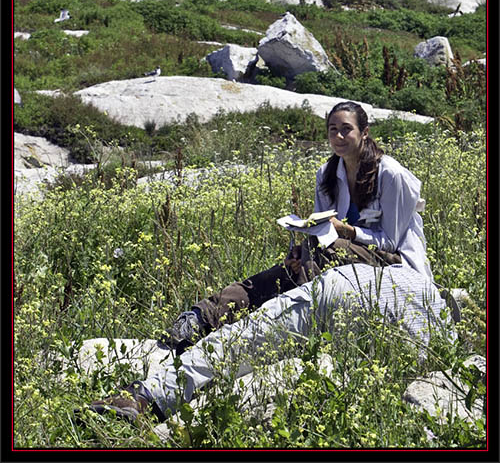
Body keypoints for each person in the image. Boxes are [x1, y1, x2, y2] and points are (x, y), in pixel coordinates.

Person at [88, 101, 455, 423]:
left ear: (364, 133)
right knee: (288, 270)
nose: (339, 137)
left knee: (324, 261)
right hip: (332, 258)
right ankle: (206, 314)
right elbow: (320, 225)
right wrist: (303, 245)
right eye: (333, 130)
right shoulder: (328, 174)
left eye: (347, 130)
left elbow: (391, 238)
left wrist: (345, 231)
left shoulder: (392, 174)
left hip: (387, 261)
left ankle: (158, 389)